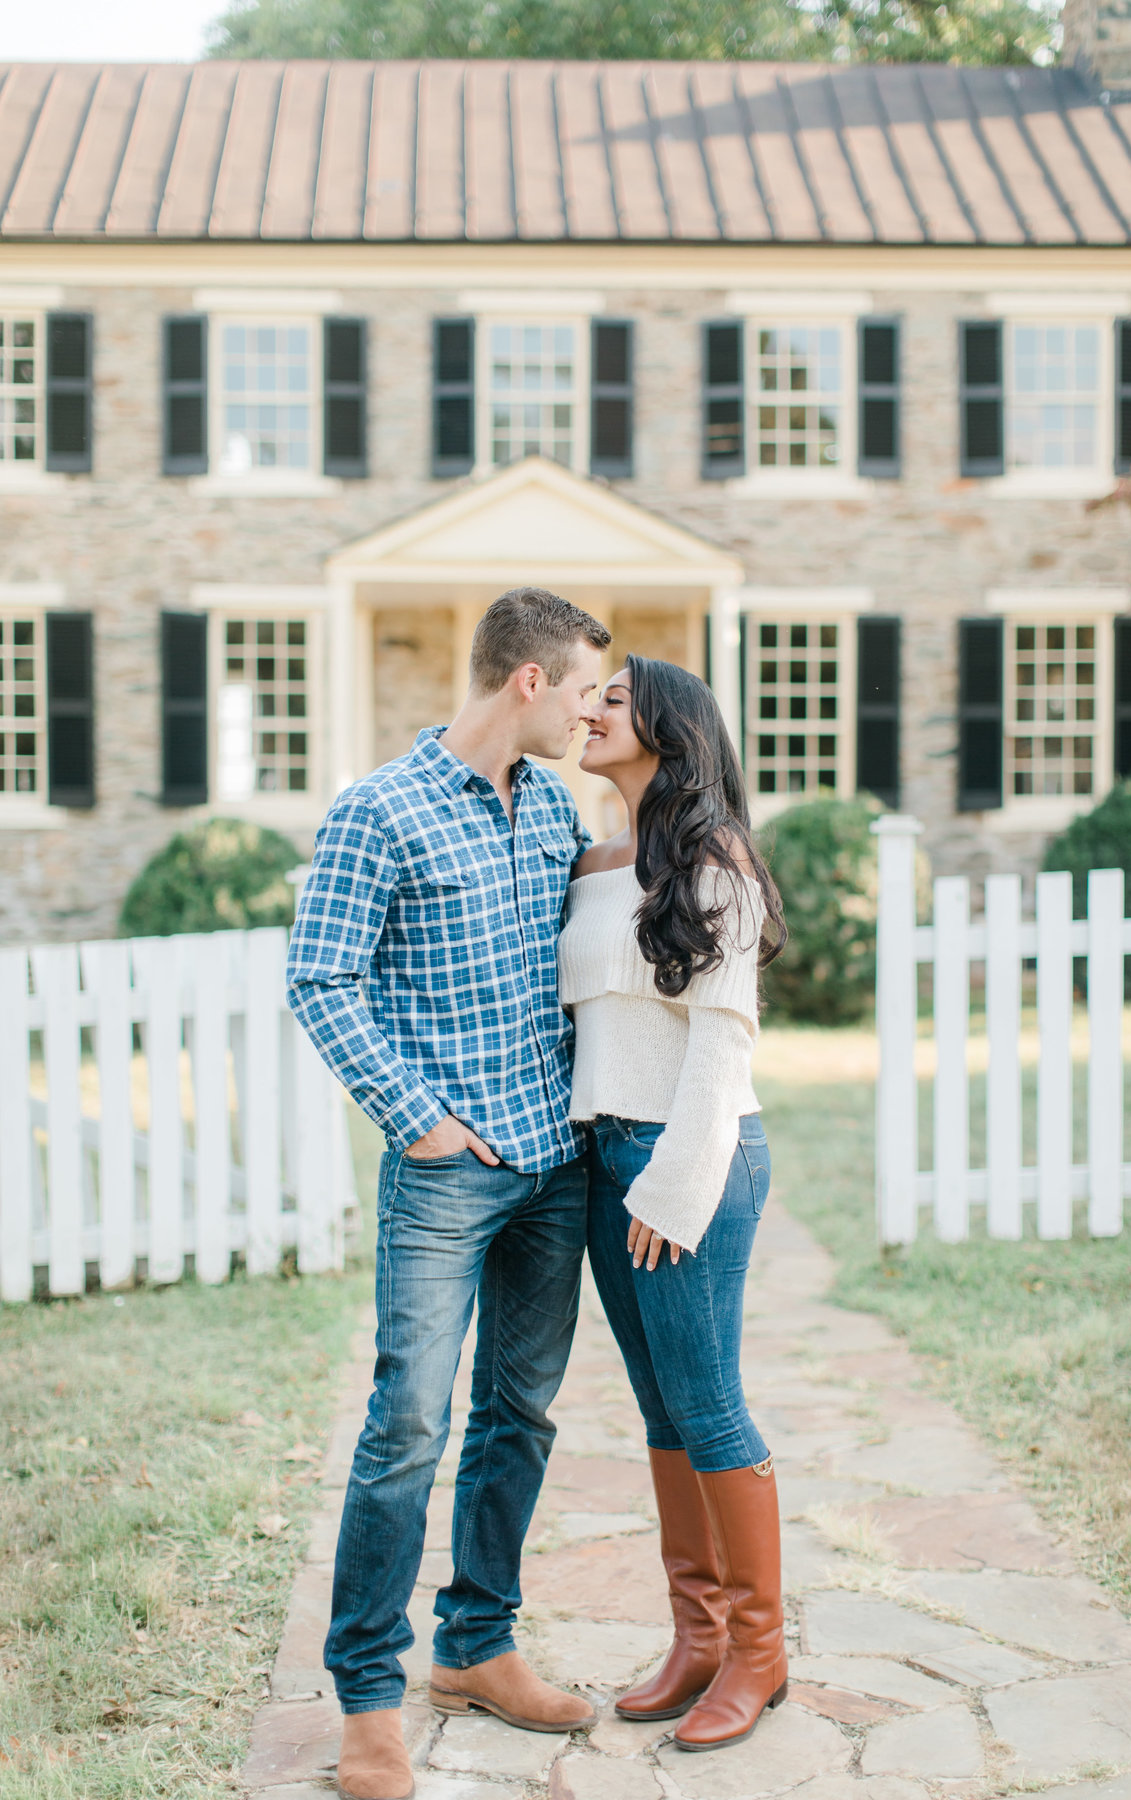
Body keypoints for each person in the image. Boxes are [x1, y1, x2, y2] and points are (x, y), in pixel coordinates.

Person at [287, 588, 611, 1800]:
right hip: (444, 1178)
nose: (592, 711)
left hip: (554, 1171)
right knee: (407, 1426)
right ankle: (369, 1697)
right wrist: (418, 1121)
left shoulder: (558, 811)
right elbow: (323, 980)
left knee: (517, 1418)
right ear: (527, 681)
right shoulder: (380, 809)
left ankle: (476, 1648)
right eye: (583, 688)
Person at [557, 655, 788, 1755]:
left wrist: (675, 1184)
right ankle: (696, 1638)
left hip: (688, 1156)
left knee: (708, 1406)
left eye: (610, 696)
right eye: (586, 696)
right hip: (606, 1158)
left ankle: (757, 1651)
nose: (588, 709)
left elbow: (720, 1040)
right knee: (661, 1414)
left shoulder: (715, 861)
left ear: (668, 726)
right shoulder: (599, 859)